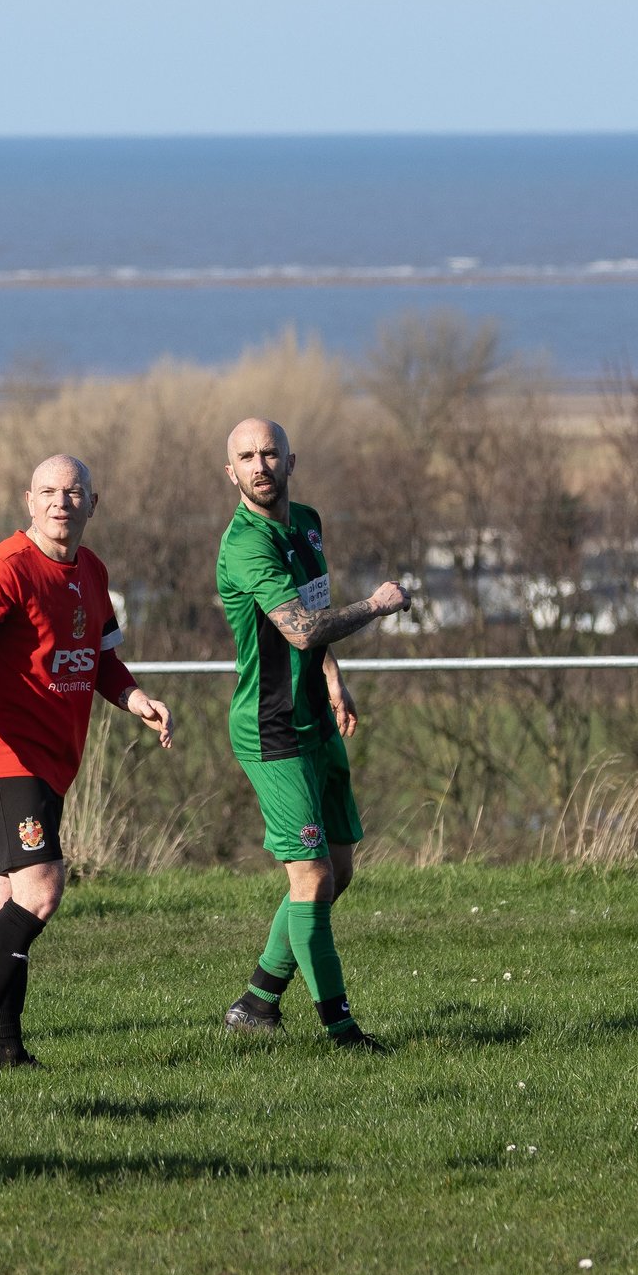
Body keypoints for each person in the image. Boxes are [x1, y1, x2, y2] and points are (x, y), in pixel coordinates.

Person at [0, 454, 175, 1072]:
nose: (60, 503)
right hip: (3, 754)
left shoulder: (91, 571)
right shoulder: (3, 568)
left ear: (94, 503)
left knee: (5, 896)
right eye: (48, 492)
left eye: (73, 493)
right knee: (41, 891)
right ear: (28, 500)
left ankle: (5, 1046)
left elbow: (100, 658)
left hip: (51, 759)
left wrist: (134, 698)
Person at [214, 417, 409, 1049]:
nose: (260, 464)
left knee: (340, 869)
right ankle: (342, 1028)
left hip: (315, 716)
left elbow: (312, 613)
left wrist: (332, 678)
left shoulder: (307, 522)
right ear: (232, 472)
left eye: (270, 453)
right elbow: (299, 628)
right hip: (272, 728)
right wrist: (377, 606)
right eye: (247, 456)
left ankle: (257, 1001)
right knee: (313, 878)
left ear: (291, 460)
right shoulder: (245, 545)